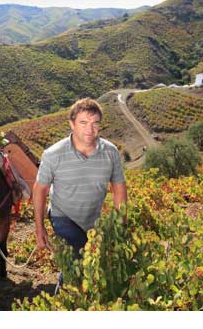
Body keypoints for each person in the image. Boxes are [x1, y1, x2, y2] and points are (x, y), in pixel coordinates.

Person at [33, 98, 127, 293]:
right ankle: (67, 300)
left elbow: (119, 188)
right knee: (81, 256)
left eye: (95, 124)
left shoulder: (110, 153)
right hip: (62, 216)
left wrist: (121, 224)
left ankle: (70, 294)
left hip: (93, 220)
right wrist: (39, 228)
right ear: (72, 124)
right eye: (83, 122)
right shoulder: (53, 154)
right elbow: (39, 190)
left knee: (88, 260)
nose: (89, 129)